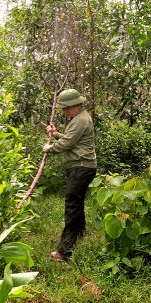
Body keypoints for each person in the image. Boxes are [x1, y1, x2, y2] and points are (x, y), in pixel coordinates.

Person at [43, 89, 97, 262]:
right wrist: (56, 133)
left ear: (78, 104)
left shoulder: (81, 119)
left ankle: (64, 251)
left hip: (81, 167)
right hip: (82, 167)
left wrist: (50, 148)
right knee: (77, 202)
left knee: (72, 206)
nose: (65, 111)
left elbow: (67, 143)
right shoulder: (78, 118)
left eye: (67, 108)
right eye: (63, 108)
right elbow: (70, 138)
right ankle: (80, 233)